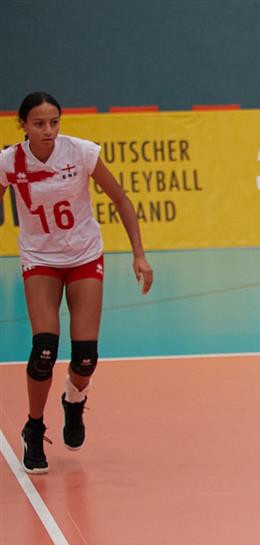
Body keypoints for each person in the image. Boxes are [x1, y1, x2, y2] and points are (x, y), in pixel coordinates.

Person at [1, 92, 153, 474]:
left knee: (86, 357)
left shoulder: (81, 152)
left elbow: (120, 199)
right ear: (23, 125)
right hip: (40, 259)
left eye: (54, 122)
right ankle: (34, 428)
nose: (48, 130)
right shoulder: (9, 161)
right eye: (39, 124)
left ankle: (73, 401)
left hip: (84, 255)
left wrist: (139, 254)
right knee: (44, 350)